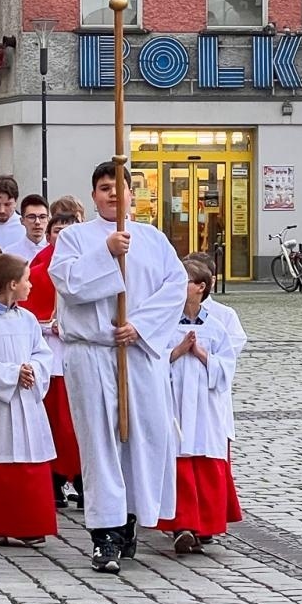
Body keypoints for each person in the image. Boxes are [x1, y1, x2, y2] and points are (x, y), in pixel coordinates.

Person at [50, 161, 188, 575]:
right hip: (92, 352)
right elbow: (70, 285)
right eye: (104, 187)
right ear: (93, 195)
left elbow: (175, 285)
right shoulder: (75, 238)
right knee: (100, 441)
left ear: (132, 193)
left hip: (139, 352)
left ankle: (129, 518)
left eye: (119, 187)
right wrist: (107, 253)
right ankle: (104, 534)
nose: (113, 194)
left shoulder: (153, 238)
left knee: (146, 434)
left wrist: (140, 327)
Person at [0, 253, 58, 548]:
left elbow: (43, 353)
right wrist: (13, 373)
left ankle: (30, 525)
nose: (31, 286)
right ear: (12, 284)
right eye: (27, 280)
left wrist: (33, 369)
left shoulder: (28, 319)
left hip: (25, 400)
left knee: (29, 462)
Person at [160, 256, 246, 554]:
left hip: (206, 406)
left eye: (182, 282)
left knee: (205, 462)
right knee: (178, 460)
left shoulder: (218, 326)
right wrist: (177, 350)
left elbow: (226, 368)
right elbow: (152, 359)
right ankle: (182, 524)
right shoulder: (165, 322)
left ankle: (205, 525)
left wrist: (200, 354)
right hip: (176, 403)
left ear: (200, 287)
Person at [23, 212, 84, 508]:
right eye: (57, 231)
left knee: (79, 421)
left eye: (68, 231)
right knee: (54, 421)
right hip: (51, 357)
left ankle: (84, 479)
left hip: (81, 355)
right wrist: (49, 326)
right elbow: (23, 317)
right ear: (49, 236)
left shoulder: (88, 269)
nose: (62, 237)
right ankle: (55, 479)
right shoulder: (36, 273)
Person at [14, 195, 50, 259]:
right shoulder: (11, 254)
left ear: (48, 220)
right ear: (22, 221)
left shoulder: (57, 252)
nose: (37, 222)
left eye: (42, 217)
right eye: (31, 217)